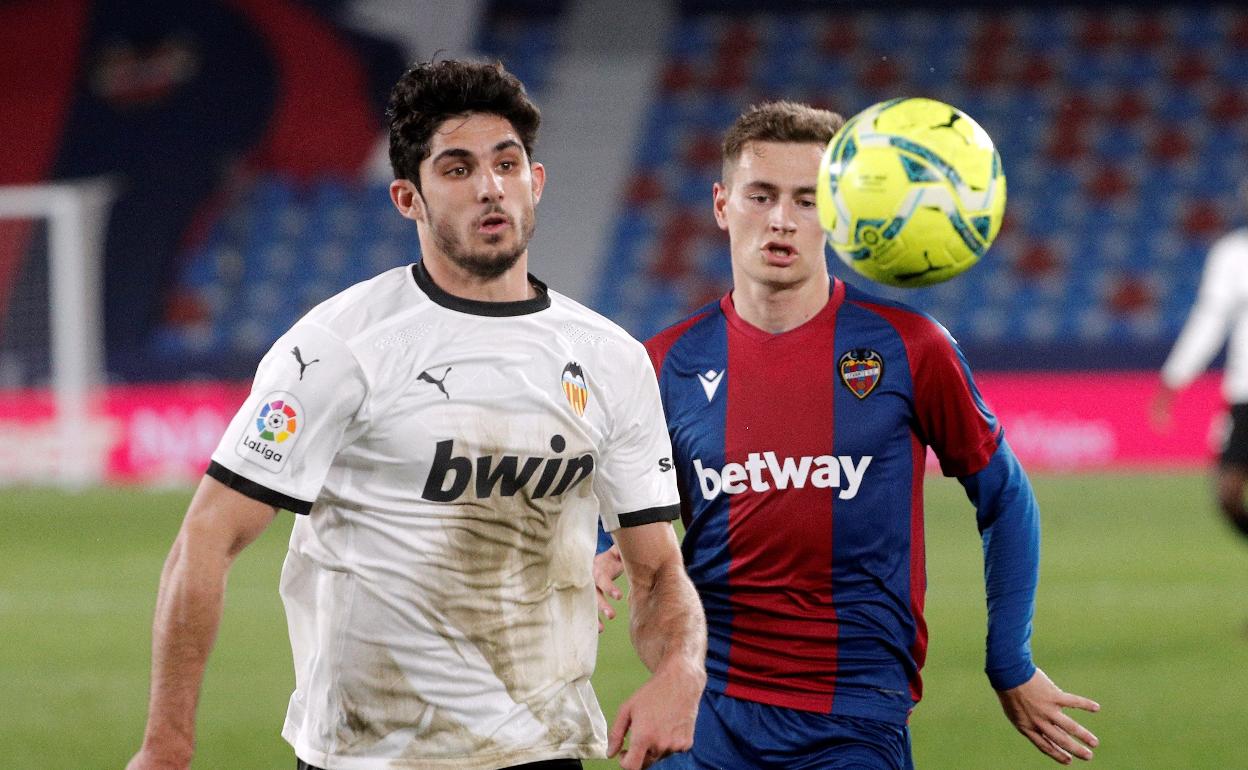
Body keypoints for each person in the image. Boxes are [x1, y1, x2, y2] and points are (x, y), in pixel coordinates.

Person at [127, 59, 706, 770]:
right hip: (366, 756)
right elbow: (206, 539)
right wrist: (166, 743)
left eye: (507, 163)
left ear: (537, 181)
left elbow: (657, 571)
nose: (491, 188)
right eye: (457, 169)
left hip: (541, 750)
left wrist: (681, 671)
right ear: (408, 197)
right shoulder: (339, 347)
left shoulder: (611, 359)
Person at [594, 101, 1099, 769]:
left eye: (807, 199)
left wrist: (1010, 660)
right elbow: (626, 503)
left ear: (839, 210)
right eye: (761, 195)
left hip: (854, 721)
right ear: (722, 205)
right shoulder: (661, 364)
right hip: (708, 708)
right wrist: (601, 548)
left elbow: (1004, 498)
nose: (781, 219)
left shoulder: (910, 348)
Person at [1152, 186, 1248, 544]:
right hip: (1245, 394)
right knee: (1227, 493)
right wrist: (1174, 379)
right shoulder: (1233, 255)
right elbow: (1209, 322)